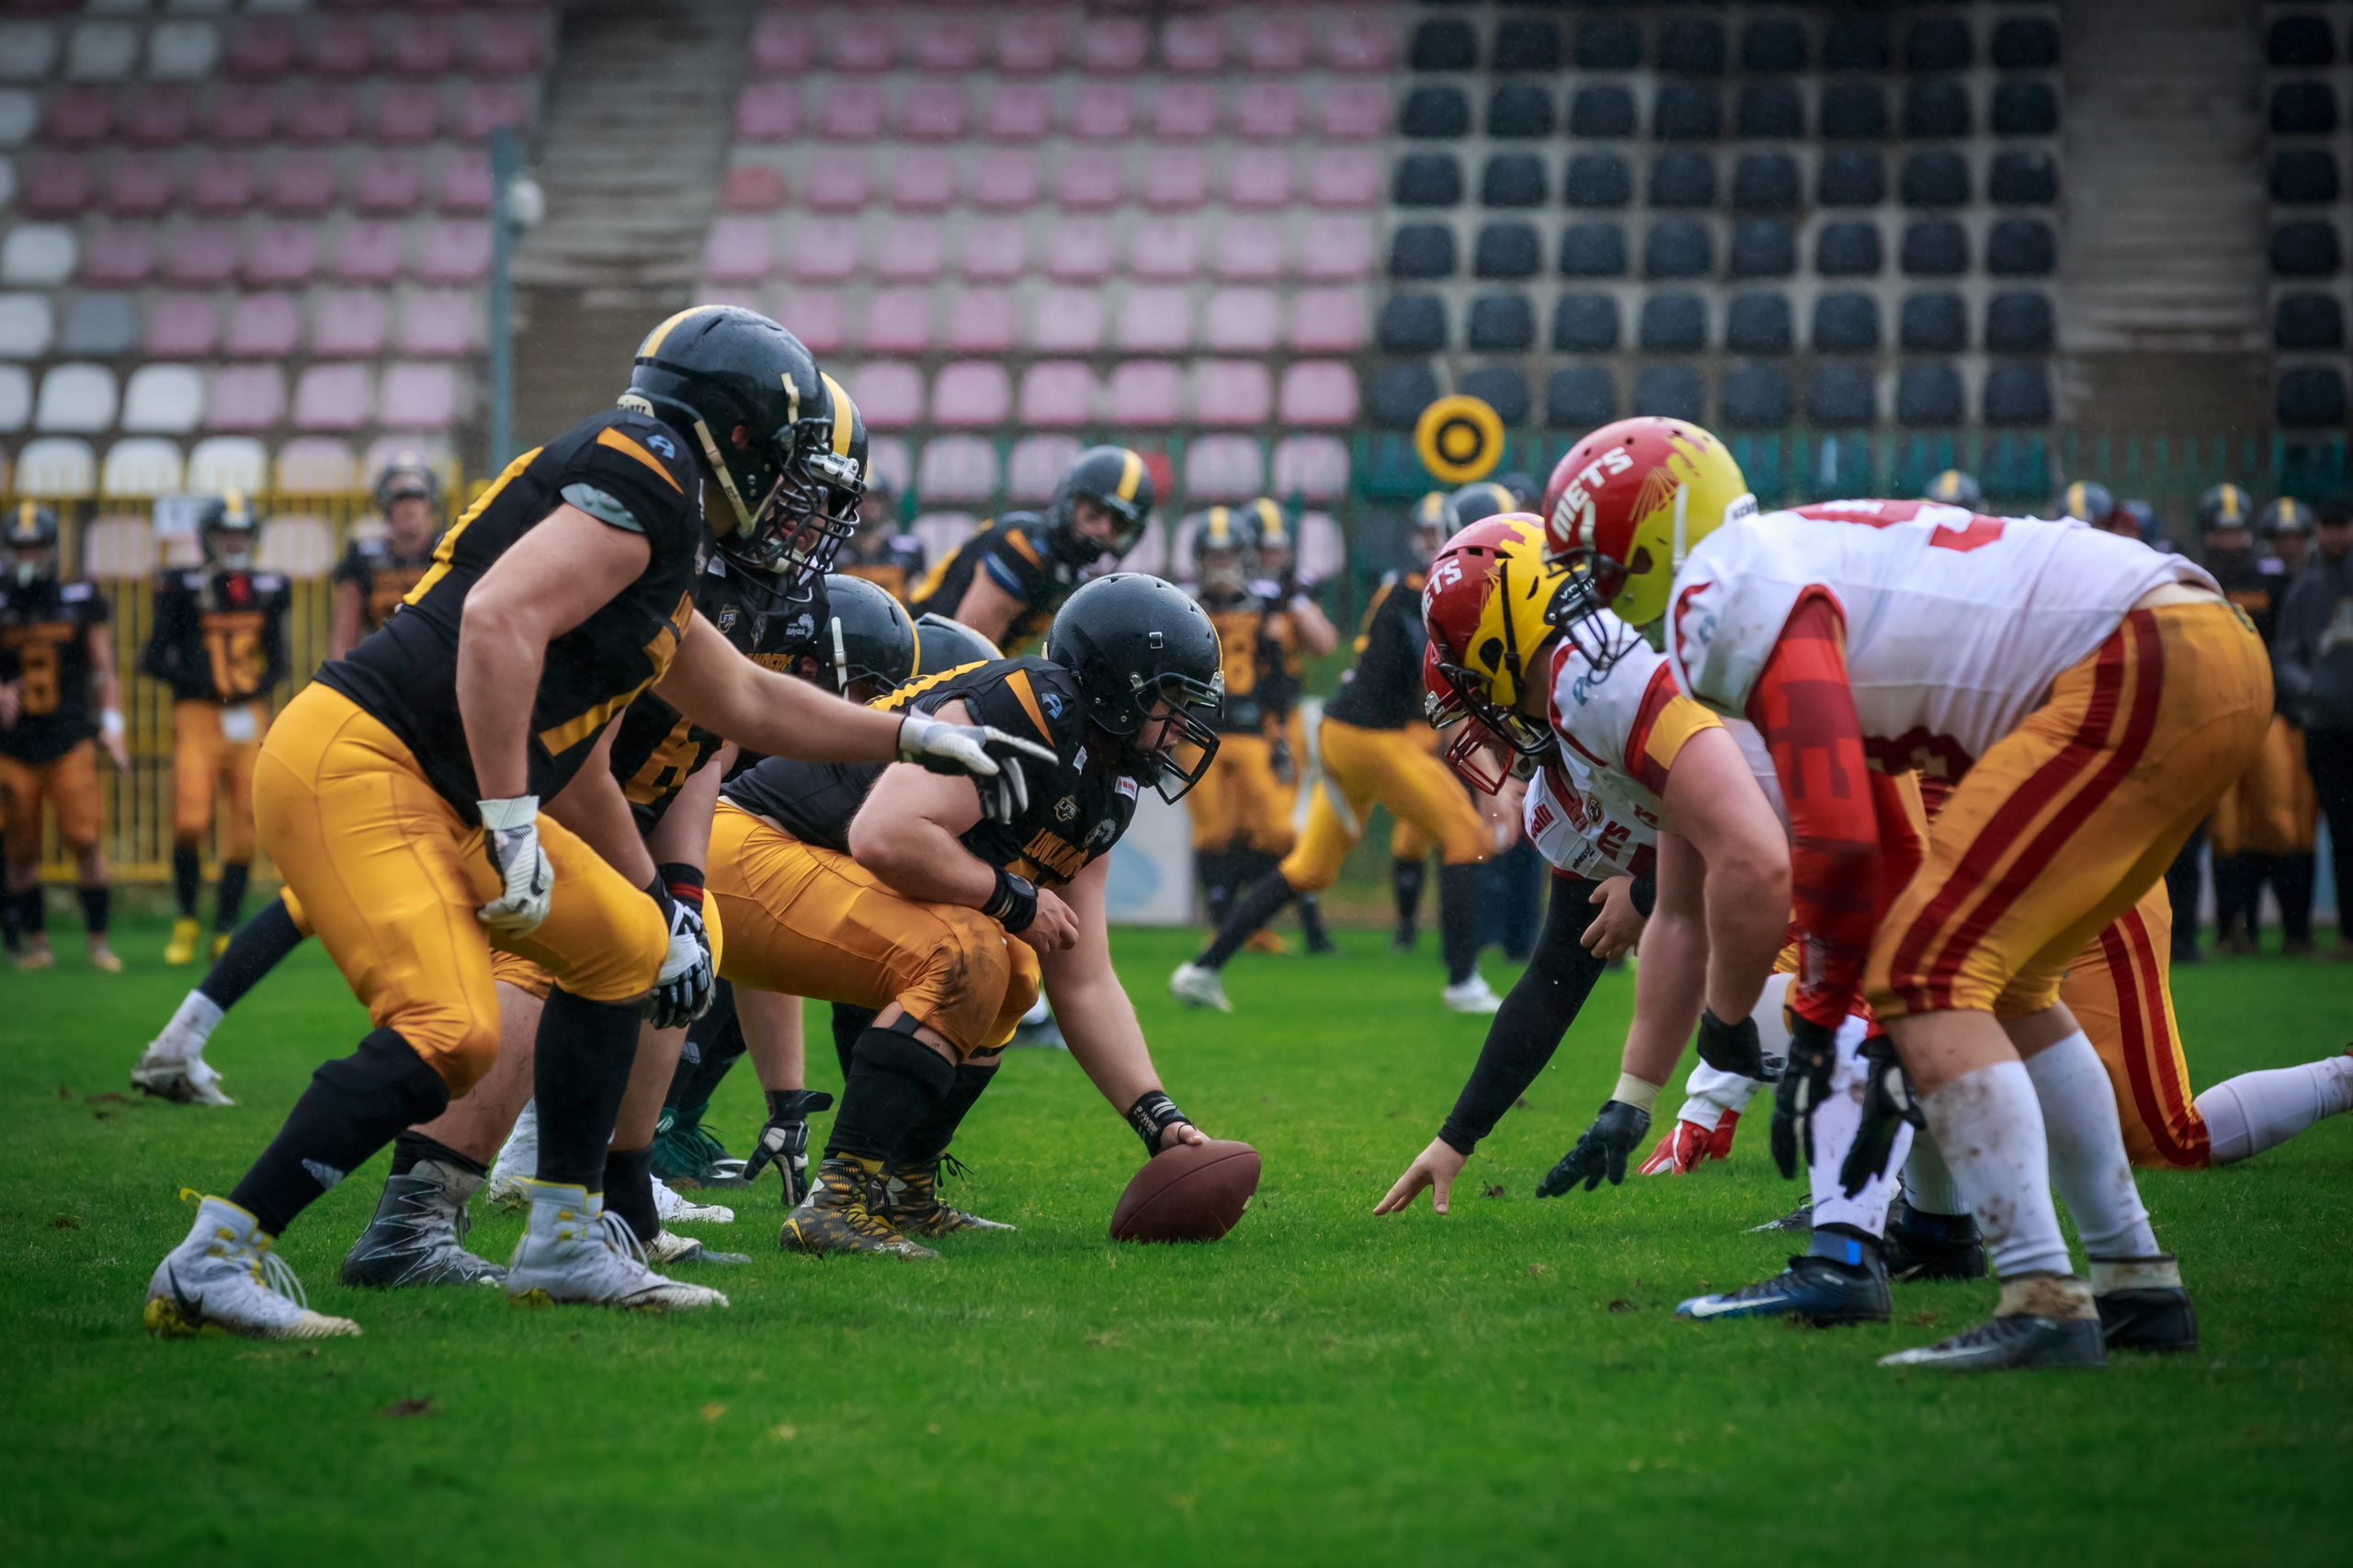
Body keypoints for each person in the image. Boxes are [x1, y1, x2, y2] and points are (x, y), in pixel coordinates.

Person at [142, 305, 1049, 1338]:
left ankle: (567, 1239)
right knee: (451, 1029)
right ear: (737, 433)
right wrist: (512, 818)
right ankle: (215, 1254)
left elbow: (742, 699)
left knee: (629, 947)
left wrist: (910, 738)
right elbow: (500, 619)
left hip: (440, 780)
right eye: (791, 463)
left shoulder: (668, 522)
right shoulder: (650, 466)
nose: (795, 496)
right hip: (371, 756)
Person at [1556, 416, 2266, 1371]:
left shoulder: (1722, 588)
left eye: (1591, 564)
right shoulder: (1784, 557)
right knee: (2012, 991)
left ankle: (2042, 1300)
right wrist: (1830, 1006)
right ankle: (2136, 1280)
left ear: (1650, 545)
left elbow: (1837, 837)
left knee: (1926, 976)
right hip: (2199, 649)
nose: (1586, 594)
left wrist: (1817, 1019)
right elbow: (1883, 835)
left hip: (2138, 658)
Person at [708, 573, 1224, 1256]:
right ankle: (837, 1201)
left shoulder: (1105, 781)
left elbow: (1084, 978)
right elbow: (885, 835)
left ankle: (905, 1190)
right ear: (1116, 684)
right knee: (970, 946)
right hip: (745, 852)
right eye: (1170, 699)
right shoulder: (1031, 706)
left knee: (1017, 971)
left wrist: (1155, 1116)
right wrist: (1012, 898)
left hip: (810, 871)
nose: (1181, 724)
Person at [1370, 522, 1791, 1244]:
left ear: (1503, 647)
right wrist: (1455, 1139)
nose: (1478, 730)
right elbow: (1554, 979)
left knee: (1784, 1018)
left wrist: (1646, 895)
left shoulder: (1611, 687)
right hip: (1785, 886)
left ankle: (1884, 1210)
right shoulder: (1559, 790)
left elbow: (1758, 843)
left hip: (1831, 858)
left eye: (1474, 693)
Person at [1171, 489, 1502, 1016]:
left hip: (1344, 733)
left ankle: (1202, 970)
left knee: (1309, 867)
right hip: (1372, 738)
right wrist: (1492, 780)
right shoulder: (1424, 590)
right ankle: (1463, 982)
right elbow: (1441, 687)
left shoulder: (1412, 585)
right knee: (1467, 835)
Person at [140, 494, 290, 965]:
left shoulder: (266, 587)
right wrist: (203, 685)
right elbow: (151, 657)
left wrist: (252, 689)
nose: (234, 542)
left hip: (248, 716)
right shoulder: (183, 586)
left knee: (245, 827)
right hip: (198, 715)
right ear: (208, 537)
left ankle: (225, 926)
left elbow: (279, 660)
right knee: (190, 821)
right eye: (226, 533)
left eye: (241, 534)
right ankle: (187, 917)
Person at [0, 503, 129, 971]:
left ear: (52, 548)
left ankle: (98, 943)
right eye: (21, 546)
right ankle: (38, 945)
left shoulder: (77, 597)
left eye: (36, 545)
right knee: (21, 851)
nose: (28, 554)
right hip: (12, 745)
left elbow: (103, 668)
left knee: (85, 840)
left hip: (69, 737)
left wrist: (112, 725)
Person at [2205, 489, 2317, 954]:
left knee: (2281, 820)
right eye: (2222, 531)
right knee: (2226, 828)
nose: (2229, 540)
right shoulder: (2197, 578)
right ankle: (2234, 928)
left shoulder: (2272, 583)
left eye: (2235, 531)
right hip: (2218, 714)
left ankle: (2294, 930)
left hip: (2271, 713)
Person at [907, 446, 1153, 650]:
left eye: (1120, 523)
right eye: (1095, 512)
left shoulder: (1066, 565)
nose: (1104, 529)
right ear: (1071, 502)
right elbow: (967, 654)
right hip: (918, 658)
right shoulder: (1022, 549)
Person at [2268, 496, 2353, 960]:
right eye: (2329, 525)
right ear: (2318, 530)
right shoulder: (2306, 588)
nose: (2336, 534)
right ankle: (2347, 933)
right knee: (2340, 832)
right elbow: (2285, 656)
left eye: (2343, 525)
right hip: (2324, 727)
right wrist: (2314, 689)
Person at [327, 458, 443, 660]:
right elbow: (343, 636)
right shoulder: (364, 559)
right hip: (382, 666)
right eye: (400, 498)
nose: (409, 506)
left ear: (430, 503)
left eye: (417, 496)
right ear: (387, 505)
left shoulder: (449, 555)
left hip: (439, 664)